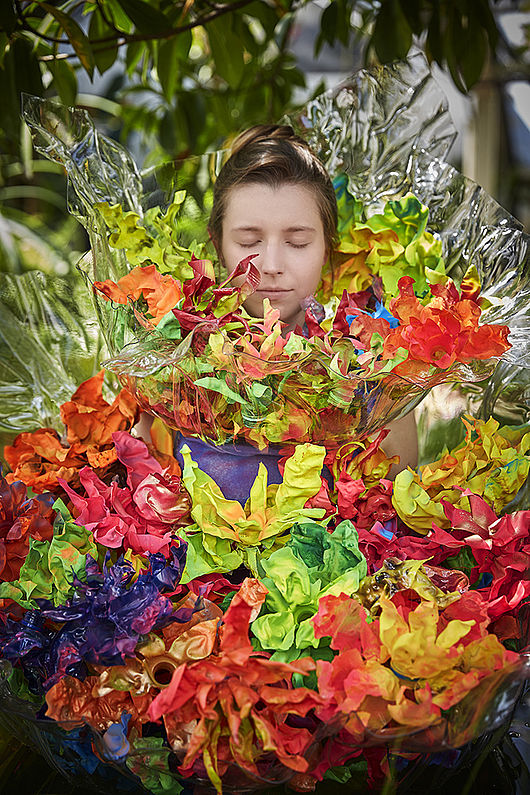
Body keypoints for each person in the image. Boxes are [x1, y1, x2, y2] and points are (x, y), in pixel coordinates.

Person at [147, 124, 417, 500]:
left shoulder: (375, 369)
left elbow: (397, 505)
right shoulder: (166, 360)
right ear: (218, 244)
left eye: (297, 241)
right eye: (249, 240)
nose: (271, 264)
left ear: (328, 248)